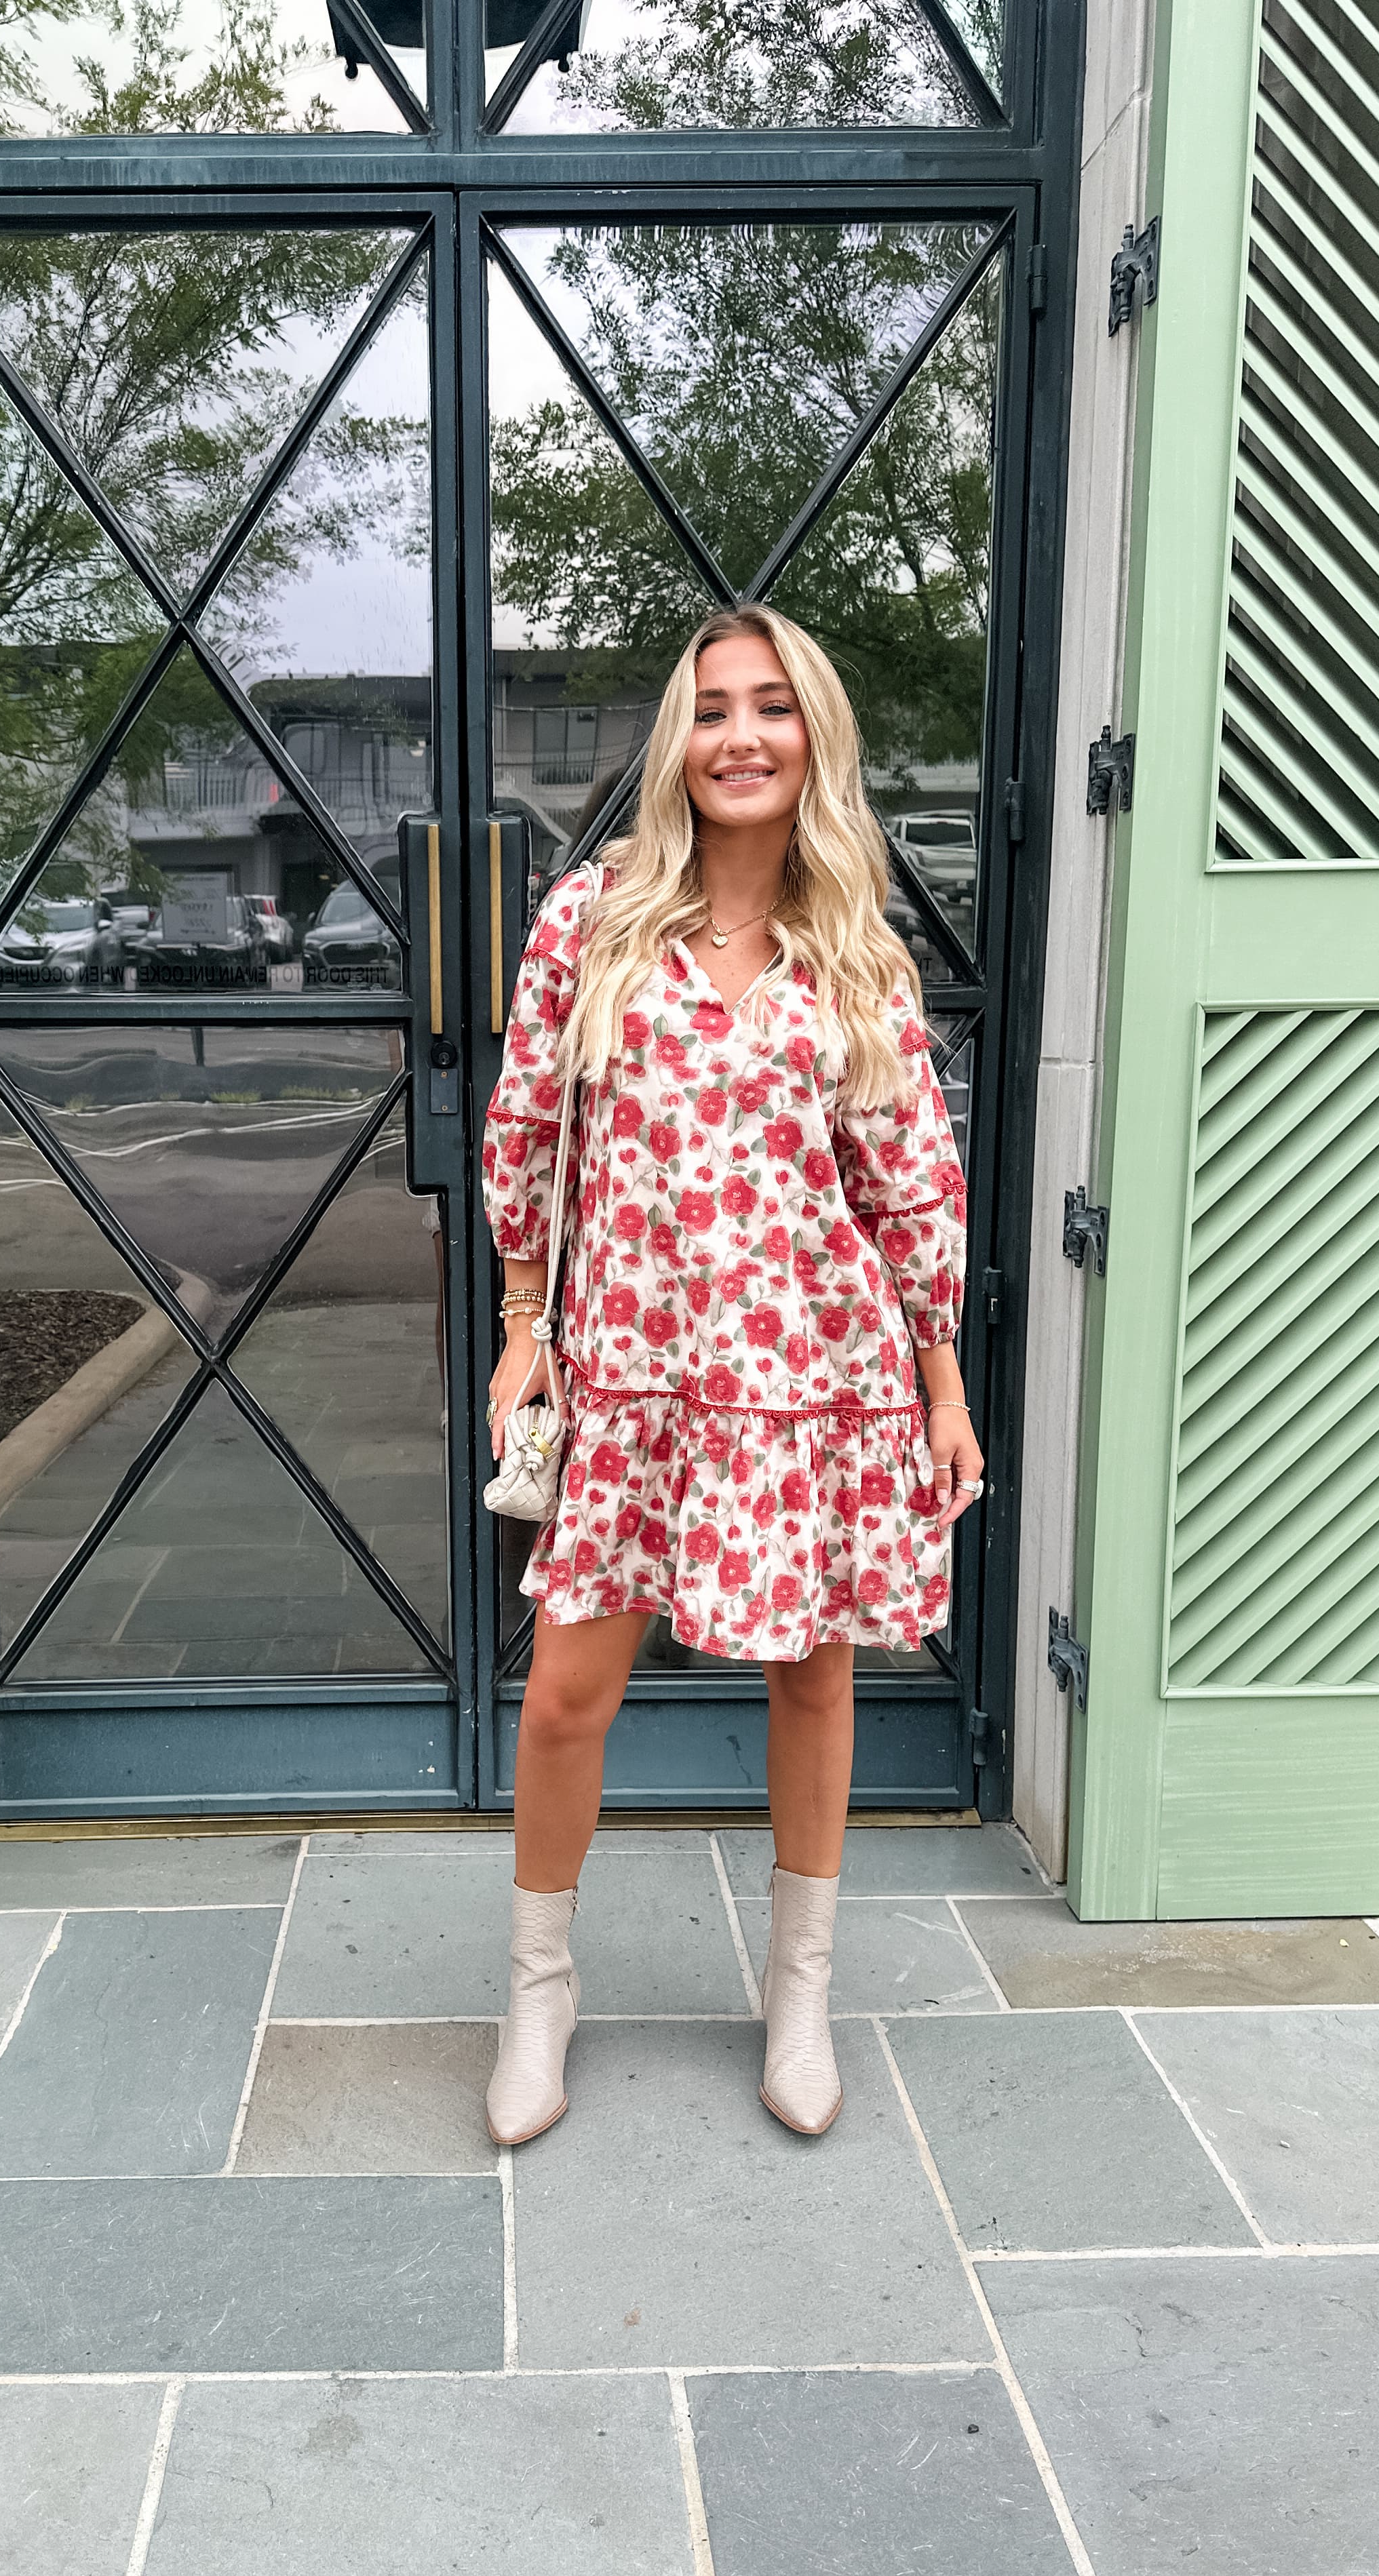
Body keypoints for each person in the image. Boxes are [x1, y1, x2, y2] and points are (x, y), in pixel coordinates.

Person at [480, 605, 982, 2146]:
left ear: (814, 737)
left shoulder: (860, 956)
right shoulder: (594, 920)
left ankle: (804, 1994)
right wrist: (522, 1321)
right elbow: (526, 1131)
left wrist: (943, 1380)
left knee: (812, 1676)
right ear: (677, 744)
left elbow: (910, 1183)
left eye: (771, 708)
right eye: (711, 710)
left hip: (813, 1371)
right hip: (633, 1368)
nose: (740, 736)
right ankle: (540, 1990)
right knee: (569, 1693)